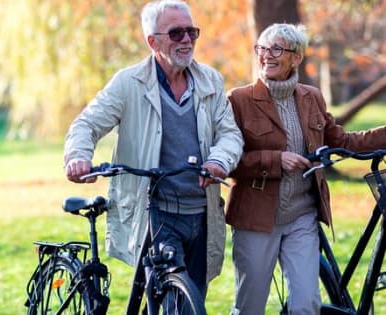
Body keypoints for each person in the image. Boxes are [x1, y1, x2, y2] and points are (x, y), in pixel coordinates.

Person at [63, 0, 243, 304]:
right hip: (155, 211)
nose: (186, 40)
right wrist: (78, 156)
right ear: (152, 41)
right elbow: (87, 124)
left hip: (201, 212)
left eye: (191, 32)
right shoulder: (128, 83)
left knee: (191, 301)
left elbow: (230, 133)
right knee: (173, 297)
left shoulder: (210, 80)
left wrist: (218, 161)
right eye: (176, 33)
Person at [226, 23, 386, 315]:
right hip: (257, 218)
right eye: (262, 48)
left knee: (305, 304)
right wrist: (277, 159)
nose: (266, 55)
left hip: (302, 215)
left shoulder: (311, 97)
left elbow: (342, 141)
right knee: (250, 307)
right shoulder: (239, 100)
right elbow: (230, 161)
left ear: (296, 57)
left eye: (276, 49)